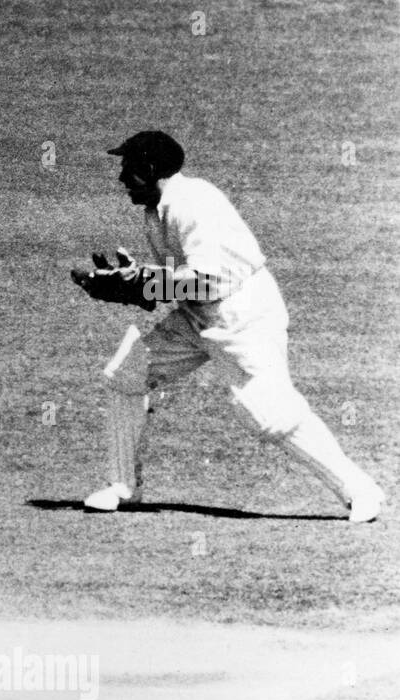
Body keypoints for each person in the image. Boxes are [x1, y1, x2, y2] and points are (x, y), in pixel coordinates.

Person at [72, 131, 384, 522]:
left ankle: (359, 490)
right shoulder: (157, 207)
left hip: (242, 314)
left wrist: (144, 284)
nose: (121, 178)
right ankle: (122, 487)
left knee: (270, 412)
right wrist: (136, 280)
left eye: (128, 168)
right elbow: (188, 278)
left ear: (151, 169)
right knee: (126, 374)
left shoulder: (191, 205)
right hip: (198, 312)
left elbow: (209, 280)